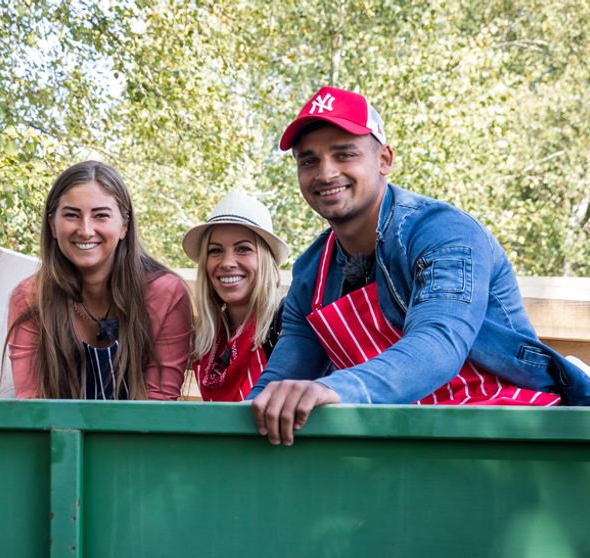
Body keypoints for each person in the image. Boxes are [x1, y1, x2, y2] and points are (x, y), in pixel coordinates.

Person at [249, 86, 590, 444]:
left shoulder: (444, 233)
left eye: (344, 154)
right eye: (309, 161)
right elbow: (281, 375)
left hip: (507, 434)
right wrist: (245, 417)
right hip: (399, 442)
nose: (325, 172)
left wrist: (335, 389)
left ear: (384, 159)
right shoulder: (312, 271)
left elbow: (439, 342)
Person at [6, 161, 193, 399]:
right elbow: (33, 403)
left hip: (140, 433)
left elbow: (158, 407)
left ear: (124, 225)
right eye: (72, 215)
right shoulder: (31, 297)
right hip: (57, 433)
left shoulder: (164, 292)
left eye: (101, 215)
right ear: (53, 225)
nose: (85, 230)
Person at [181, 192, 290, 401]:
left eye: (243, 249)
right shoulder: (208, 340)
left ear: (266, 260)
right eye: (215, 251)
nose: (227, 262)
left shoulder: (287, 325)